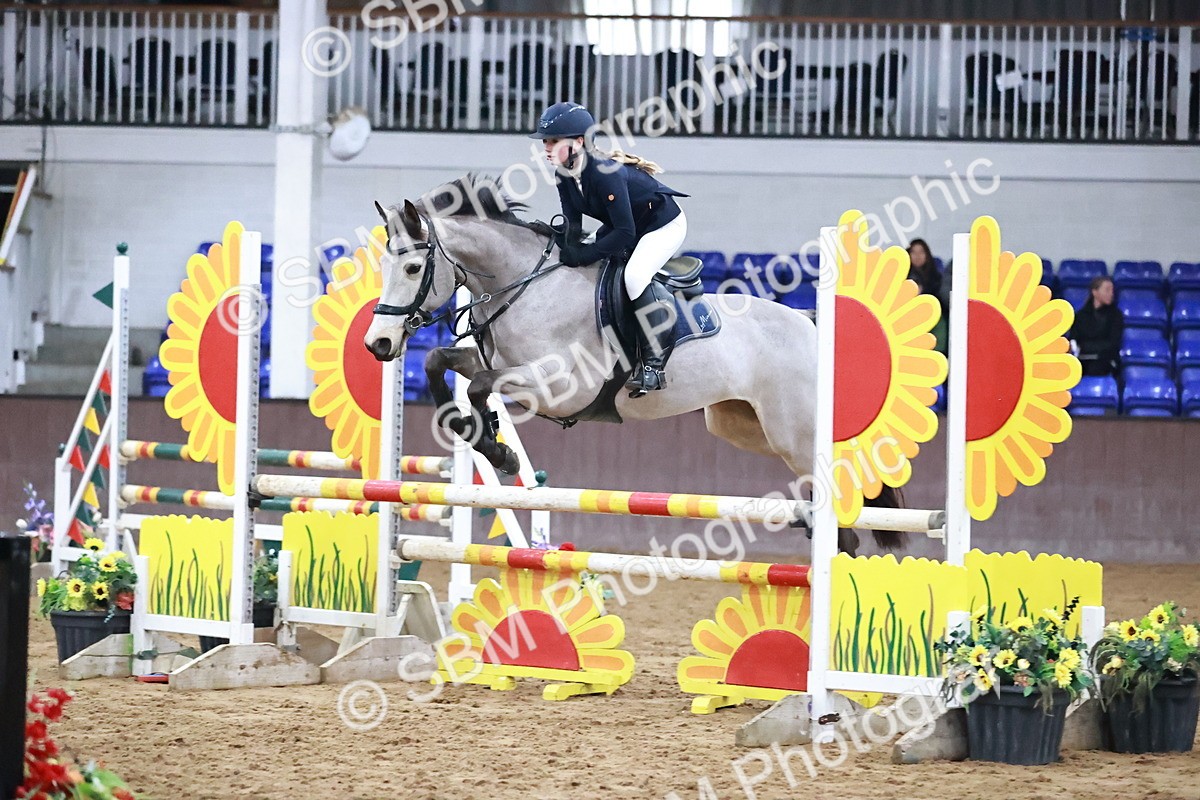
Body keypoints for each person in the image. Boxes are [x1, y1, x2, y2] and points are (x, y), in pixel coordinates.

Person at [529, 101, 690, 398]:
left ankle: (653, 366)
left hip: (661, 224)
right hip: (627, 224)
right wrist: (560, 243)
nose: (546, 147)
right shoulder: (563, 173)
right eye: (545, 141)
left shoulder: (605, 174)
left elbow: (625, 232)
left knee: (635, 277)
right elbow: (572, 223)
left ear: (578, 142)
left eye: (553, 141)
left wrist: (585, 254)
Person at [1069, 276, 1123, 377]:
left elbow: (1113, 343)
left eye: (1112, 290)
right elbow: (1074, 339)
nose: (1111, 294)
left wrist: (1085, 347)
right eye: (1107, 290)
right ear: (1095, 292)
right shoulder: (1081, 315)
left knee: (1097, 369)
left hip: (1105, 360)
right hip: (1082, 359)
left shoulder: (1116, 315)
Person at [908, 239, 948, 355]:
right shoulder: (903, 275)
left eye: (921, 252)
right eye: (914, 252)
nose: (917, 256)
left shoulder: (936, 278)